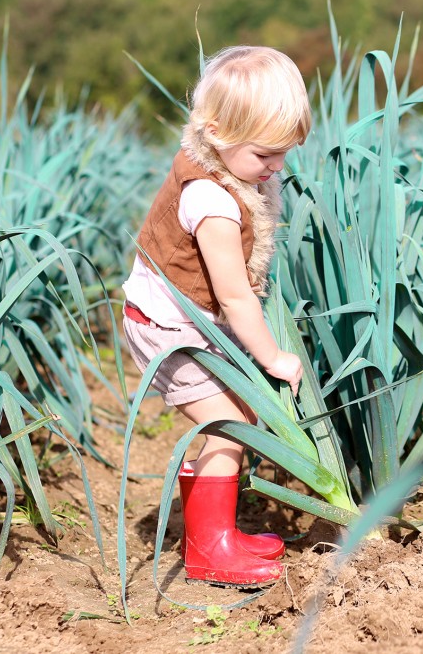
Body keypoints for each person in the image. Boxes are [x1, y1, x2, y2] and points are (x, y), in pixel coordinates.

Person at [122, 46, 311, 588]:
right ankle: (210, 548)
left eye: (285, 154)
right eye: (265, 155)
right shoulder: (213, 203)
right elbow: (234, 298)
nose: (277, 167)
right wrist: (273, 356)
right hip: (166, 331)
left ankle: (210, 531)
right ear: (217, 131)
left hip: (183, 322)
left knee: (233, 419)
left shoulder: (227, 171)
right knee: (232, 422)